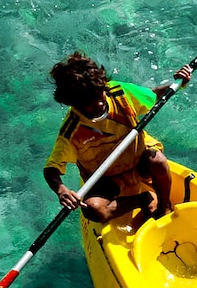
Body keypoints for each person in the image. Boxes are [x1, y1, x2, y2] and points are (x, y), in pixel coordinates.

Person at [41, 51, 176, 227]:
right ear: (73, 104)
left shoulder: (119, 93)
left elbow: (153, 95)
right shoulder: (71, 130)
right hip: (107, 180)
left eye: (99, 96)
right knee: (92, 209)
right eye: (88, 104)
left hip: (137, 161)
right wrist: (61, 190)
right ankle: (142, 199)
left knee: (157, 160)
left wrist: (177, 83)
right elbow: (51, 169)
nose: (98, 105)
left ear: (103, 86)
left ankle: (163, 207)